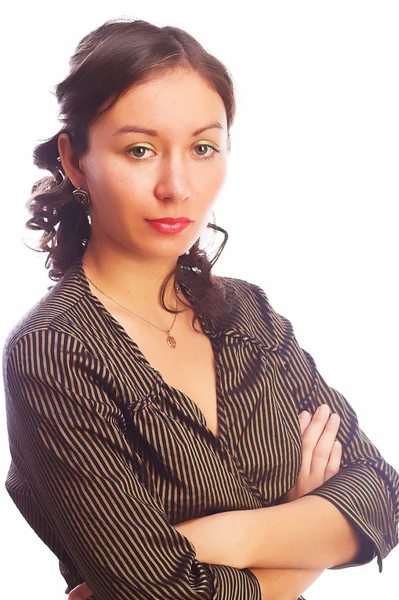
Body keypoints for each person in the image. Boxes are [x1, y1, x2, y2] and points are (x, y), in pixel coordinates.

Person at [3, 16, 399, 600]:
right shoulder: (54, 350)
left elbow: (383, 498)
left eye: (203, 147)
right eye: (139, 150)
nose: (177, 186)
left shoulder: (247, 315)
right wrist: (307, 531)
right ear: (74, 159)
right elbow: (161, 593)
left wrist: (230, 537)